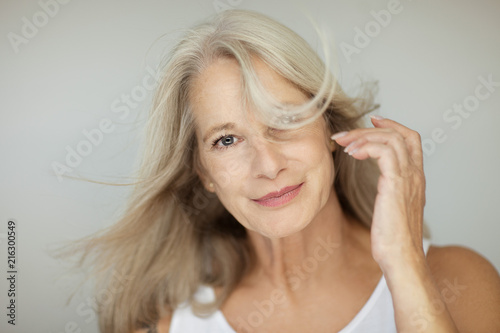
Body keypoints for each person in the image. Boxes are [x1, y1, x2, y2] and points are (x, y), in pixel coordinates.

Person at [69, 9, 500, 333]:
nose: (268, 164)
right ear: (204, 174)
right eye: (227, 140)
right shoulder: (165, 322)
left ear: (330, 128)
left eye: (286, 120)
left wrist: (404, 266)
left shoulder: (456, 279)